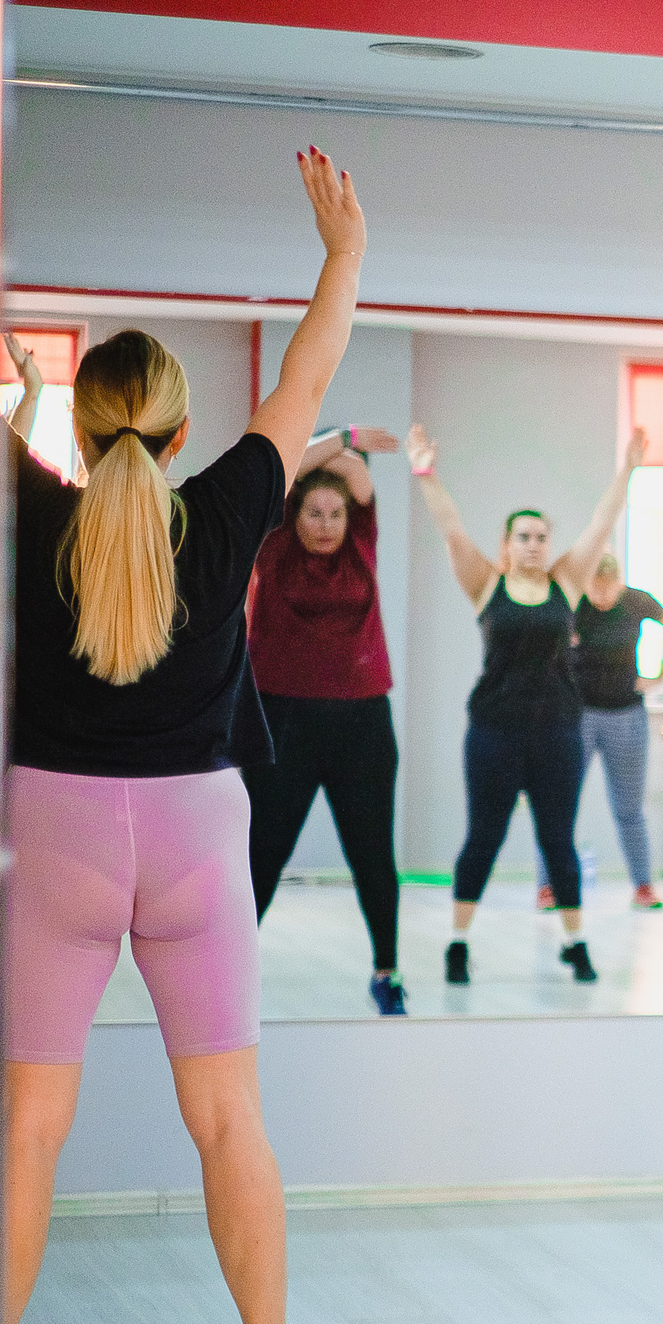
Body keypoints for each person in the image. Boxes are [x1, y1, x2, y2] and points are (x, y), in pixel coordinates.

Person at [0, 146, 364, 1324]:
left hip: (55, 829)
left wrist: (16, 410)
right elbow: (308, 379)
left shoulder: (28, 504)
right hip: (201, 830)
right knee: (229, 1117)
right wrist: (343, 259)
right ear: (178, 425)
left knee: (29, 1124)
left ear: (87, 428)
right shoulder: (224, 509)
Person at [409, 422, 641, 986]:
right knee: (483, 836)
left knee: (556, 838)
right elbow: (451, 529)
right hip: (494, 732)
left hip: (557, 733)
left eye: (541, 536)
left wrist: (629, 468)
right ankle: (459, 942)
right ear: (507, 545)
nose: (534, 544)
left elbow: (602, 523)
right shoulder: (486, 584)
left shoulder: (568, 581)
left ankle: (576, 942)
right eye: (523, 537)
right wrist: (425, 472)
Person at [243, 428, 409, 1016]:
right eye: (313, 511)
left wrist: (349, 458)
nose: (325, 523)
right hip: (282, 718)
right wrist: (350, 435)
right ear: (294, 514)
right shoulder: (274, 543)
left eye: (335, 513)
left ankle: (386, 971)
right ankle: (232, 974)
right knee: (264, 852)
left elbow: (361, 483)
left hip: (363, 722)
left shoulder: (361, 544)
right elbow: (282, 468)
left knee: (373, 856)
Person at [534, 552, 663, 913]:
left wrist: (659, 672)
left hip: (626, 716)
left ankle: (643, 887)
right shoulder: (574, 603)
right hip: (576, 716)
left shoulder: (635, 601)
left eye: (607, 587)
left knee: (629, 808)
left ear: (618, 580)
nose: (601, 595)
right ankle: (547, 887)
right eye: (594, 586)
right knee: (558, 805)